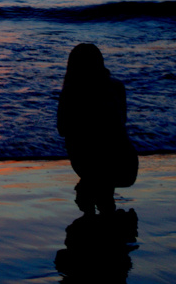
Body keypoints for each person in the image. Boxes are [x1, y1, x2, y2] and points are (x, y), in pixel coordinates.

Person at [57, 43, 137, 214]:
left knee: (89, 145)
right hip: (126, 164)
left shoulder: (71, 92)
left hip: (91, 163)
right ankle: (100, 201)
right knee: (108, 142)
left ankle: (89, 191)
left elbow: (62, 129)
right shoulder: (117, 87)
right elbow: (122, 121)